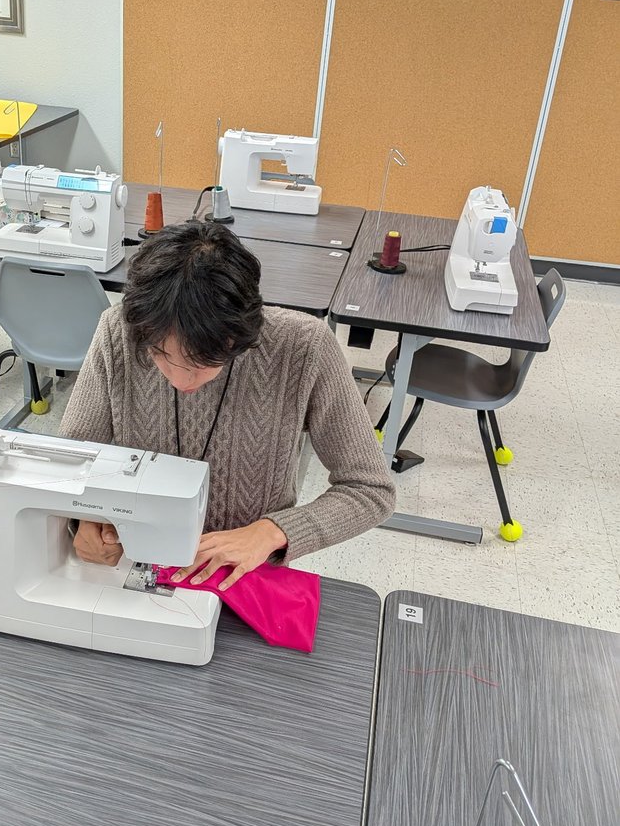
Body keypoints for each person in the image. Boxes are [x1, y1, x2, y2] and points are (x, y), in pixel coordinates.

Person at [60, 221, 395, 591]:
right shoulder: (118, 331)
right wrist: (85, 519)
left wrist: (272, 531)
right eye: (159, 354)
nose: (179, 379)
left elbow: (370, 489)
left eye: (202, 363)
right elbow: (73, 464)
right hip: (136, 560)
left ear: (241, 338)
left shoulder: (303, 348)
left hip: (244, 576)